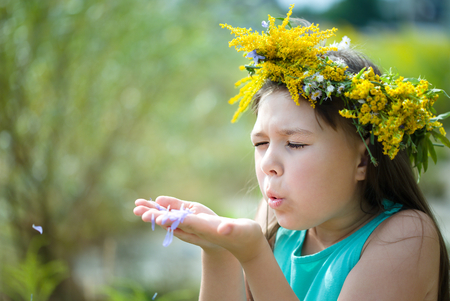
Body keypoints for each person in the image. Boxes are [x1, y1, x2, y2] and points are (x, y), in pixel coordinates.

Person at [134, 5, 450, 301]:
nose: (268, 163)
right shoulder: (273, 218)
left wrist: (254, 254)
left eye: (295, 144)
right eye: (260, 144)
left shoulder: (407, 236)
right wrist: (220, 251)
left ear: (363, 159)